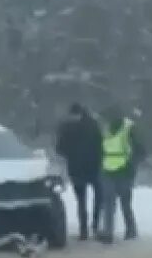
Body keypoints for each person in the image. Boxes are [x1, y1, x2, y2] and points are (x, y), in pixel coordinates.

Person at [96, 107, 145, 244]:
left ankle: (130, 229)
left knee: (124, 202)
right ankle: (108, 232)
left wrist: (132, 165)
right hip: (108, 169)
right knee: (109, 202)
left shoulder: (128, 128)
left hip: (123, 169)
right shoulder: (105, 129)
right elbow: (102, 148)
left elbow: (140, 149)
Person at [55, 102, 102, 240]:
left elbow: (60, 148)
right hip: (94, 167)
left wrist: (70, 153)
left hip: (76, 168)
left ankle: (84, 229)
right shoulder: (93, 125)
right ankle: (95, 224)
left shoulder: (67, 127)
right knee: (98, 197)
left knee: (81, 201)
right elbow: (100, 144)